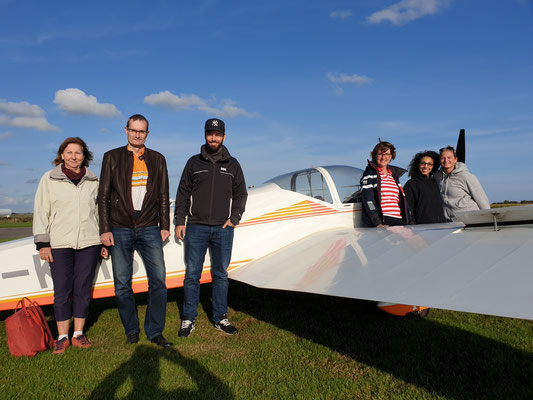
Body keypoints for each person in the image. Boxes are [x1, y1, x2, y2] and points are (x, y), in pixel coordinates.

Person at [98, 114, 172, 348]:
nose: (137, 134)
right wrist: (105, 228)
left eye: (142, 131)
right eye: (134, 130)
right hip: (120, 227)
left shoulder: (158, 159)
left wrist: (165, 225)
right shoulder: (111, 157)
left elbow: (162, 194)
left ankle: (155, 331)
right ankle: (132, 330)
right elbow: (103, 197)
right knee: (122, 283)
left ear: (147, 134)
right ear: (126, 130)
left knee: (159, 280)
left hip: (149, 226)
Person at [175, 118, 247, 337]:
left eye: (217, 134)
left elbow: (241, 194)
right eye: (210, 133)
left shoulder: (233, 164)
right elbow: (182, 193)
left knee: (220, 275)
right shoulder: (193, 163)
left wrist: (234, 218)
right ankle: (188, 319)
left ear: (224, 137)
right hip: (196, 228)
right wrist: (180, 220)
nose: (213, 138)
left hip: (223, 229)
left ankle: (220, 317)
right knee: (192, 275)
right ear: (205, 135)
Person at [33, 137, 103, 354]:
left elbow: (99, 212)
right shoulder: (49, 179)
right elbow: (41, 210)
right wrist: (43, 243)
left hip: (89, 242)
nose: (74, 157)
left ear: (85, 156)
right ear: (61, 155)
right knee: (62, 291)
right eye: (69, 152)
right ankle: (62, 336)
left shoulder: (93, 180)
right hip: (59, 243)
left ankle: (78, 334)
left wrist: (102, 239)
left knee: (83, 288)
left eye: (78, 153)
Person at [360, 140, 411, 227]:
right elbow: (368, 199)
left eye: (387, 154)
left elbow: (401, 201)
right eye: (380, 154)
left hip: (398, 219)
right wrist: (377, 222)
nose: (383, 157)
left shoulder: (394, 176)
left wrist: (409, 220)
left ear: (391, 156)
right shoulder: (369, 174)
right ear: (374, 156)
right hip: (384, 220)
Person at [434, 146, 490, 221]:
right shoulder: (437, 176)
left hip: (470, 219)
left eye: (449, 157)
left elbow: (481, 199)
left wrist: (489, 218)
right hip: (449, 222)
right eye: (442, 158)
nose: (446, 160)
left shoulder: (466, 176)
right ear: (439, 161)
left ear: (455, 159)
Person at [403, 151, 446, 224]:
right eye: (423, 163)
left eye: (429, 164)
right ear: (418, 164)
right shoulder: (412, 184)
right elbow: (407, 208)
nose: (425, 166)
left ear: (433, 166)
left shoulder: (435, 183)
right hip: (421, 228)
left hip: (440, 227)